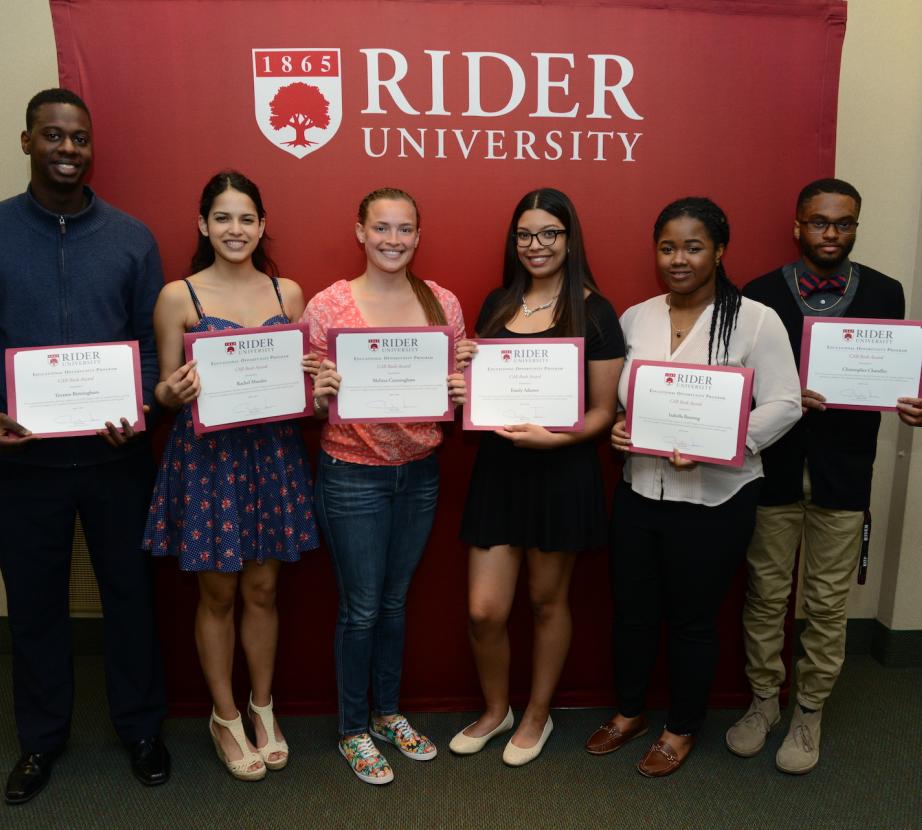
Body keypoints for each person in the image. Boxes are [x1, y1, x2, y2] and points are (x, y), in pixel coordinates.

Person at [586, 197, 802, 777]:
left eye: (693, 246)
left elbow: (785, 403)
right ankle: (629, 711)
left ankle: (681, 726)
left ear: (719, 251)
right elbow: (622, 402)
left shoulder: (756, 319)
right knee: (631, 611)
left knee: (692, 619)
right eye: (667, 247)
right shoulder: (636, 317)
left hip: (716, 498)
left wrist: (724, 440)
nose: (678, 258)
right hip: (639, 491)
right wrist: (621, 433)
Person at [0, 88, 169, 805]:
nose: (68, 149)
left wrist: (138, 409)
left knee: (130, 599)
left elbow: (155, 355)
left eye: (79, 139)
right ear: (27, 141)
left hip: (116, 459)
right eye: (53, 136)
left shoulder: (131, 238)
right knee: (35, 607)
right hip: (23, 464)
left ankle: (140, 729)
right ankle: (41, 741)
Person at [725, 178, 916, 774]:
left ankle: (809, 710)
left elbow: (890, 372)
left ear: (855, 227)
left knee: (828, 603)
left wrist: (909, 401)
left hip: (844, 473)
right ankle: (763, 702)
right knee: (765, 597)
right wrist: (780, 397)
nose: (831, 234)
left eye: (844, 224)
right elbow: (735, 384)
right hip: (772, 469)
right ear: (797, 225)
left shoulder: (887, 293)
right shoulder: (757, 295)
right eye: (820, 222)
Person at [142, 171, 319, 780]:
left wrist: (317, 387)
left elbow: (304, 382)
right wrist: (173, 389)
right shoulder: (177, 296)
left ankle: (261, 706)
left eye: (246, 218)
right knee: (216, 594)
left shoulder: (287, 293)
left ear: (263, 225)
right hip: (209, 462)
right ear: (203, 225)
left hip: (272, 457)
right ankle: (224, 716)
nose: (235, 230)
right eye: (223, 218)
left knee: (264, 590)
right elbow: (163, 389)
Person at [450, 188, 623, 766]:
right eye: (525, 234)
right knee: (485, 609)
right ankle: (496, 709)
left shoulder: (596, 312)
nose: (536, 245)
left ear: (569, 240)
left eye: (549, 233)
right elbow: (482, 393)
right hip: (500, 471)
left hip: (561, 470)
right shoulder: (498, 303)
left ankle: (537, 715)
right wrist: (463, 387)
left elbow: (603, 412)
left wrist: (557, 437)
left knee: (548, 602)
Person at [304, 187, 467, 785]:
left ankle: (388, 713)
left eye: (404, 230)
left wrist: (464, 389)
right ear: (360, 231)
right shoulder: (328, 306)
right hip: (352, 473)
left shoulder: (442, 304)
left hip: (421, 472)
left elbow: (455, 385)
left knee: (395, 604)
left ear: (418, 237)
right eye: (381, 228)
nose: (393, 240)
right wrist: (318, 394)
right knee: (362, 607)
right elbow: (310, 401)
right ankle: (352, 728)